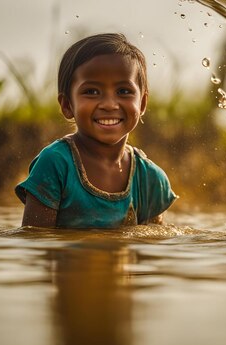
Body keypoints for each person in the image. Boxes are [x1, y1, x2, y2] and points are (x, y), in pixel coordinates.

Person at [15, 33, 177, 228]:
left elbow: (154, 244)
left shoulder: (150, 179)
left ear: (142, 103)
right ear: (67, 105)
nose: (109, 104)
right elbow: (36, 239)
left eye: (124, 91)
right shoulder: (55, 163)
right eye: (91, 91)